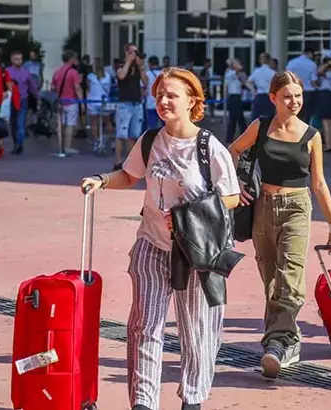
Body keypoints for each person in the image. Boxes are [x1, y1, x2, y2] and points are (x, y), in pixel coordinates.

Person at [80, 68, 240, 410]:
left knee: (196, 330)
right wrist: (101, 180)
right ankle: (143, 402)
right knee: (144, 325)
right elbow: (129, 175)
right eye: (159, 96)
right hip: (152, 244)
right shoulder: (151, 140)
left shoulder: (209, 147)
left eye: (172, 95)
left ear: (192, 101)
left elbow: (231, 197)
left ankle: (192, 398)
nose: (164, 102)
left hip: (195, 251)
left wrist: (191, 212)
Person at [228, 71, 331, 380]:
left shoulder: (311, 135)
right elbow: (232, 150)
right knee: (270, 281)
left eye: (299, 96)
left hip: (297, 208)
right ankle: (285, 342)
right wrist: (236, 182)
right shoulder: (260, 127)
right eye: (288, 96)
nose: (295, 102)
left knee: (289, 279)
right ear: (273, 99)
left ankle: (277, 343)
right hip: (263, 208)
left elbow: (319, 183)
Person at [114, 43, 148, 170]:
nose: (134, 55)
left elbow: (146, 82)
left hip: (137, 104)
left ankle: (131, 162)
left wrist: (141, 67)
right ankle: (118, 161)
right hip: (124, 104)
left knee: (134, 135)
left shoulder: (138, 68)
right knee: (121, 134)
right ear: (126, 52)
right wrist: (128, 61)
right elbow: (121, 75)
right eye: (132, 52)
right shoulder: (122, 66)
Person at [7, 50, 39, 154]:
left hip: (22, 100)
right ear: (11, 60)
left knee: (20, 123)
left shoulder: (26, 72)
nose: (18, 61)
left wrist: (37, 97)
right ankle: (16, 143)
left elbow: (32, 86)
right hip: (10, 100)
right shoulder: (7, 71)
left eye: (20, 59)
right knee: (13, 124)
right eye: (16, 59)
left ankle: (19, 145)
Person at [224, 58, 248, 143]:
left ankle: (229, 138)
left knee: (233, 119)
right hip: (235, 97)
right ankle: (244, 136)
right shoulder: (233, 73)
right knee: (239, 119)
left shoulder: (230, 73)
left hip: (233, 97)